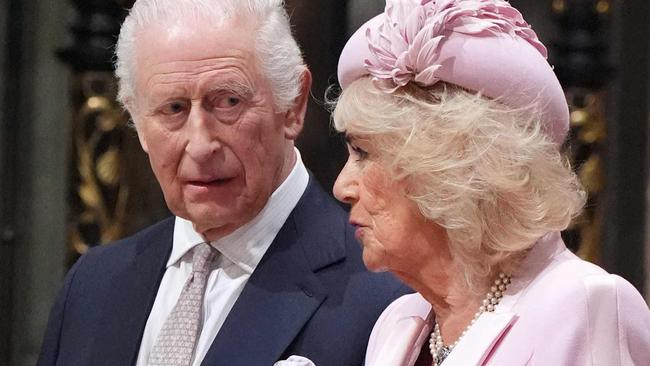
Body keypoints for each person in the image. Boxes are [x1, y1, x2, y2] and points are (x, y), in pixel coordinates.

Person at [37, 1, 407, 365]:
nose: (200, 145)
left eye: (228, 101)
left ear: (293, 105)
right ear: (137, 119)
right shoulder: (91, 284)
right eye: (173, 108)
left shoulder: (387, 295)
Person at [331, 0, 650, 365]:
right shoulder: (397, 325)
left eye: (363, 152)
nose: (342, 186)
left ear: (448, 165)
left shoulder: (584, 307)